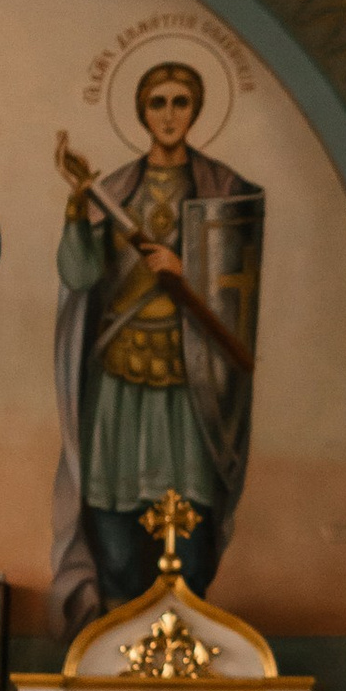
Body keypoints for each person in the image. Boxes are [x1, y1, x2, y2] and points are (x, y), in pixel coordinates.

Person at [52, 63, 262, 626]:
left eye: (181, 102)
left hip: (189, 386)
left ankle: (184, 636)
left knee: (189, 519)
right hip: (118, 378)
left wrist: (186, 269)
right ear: (142, 113)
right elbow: (78, 276)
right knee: (114, 528)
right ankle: (116, 646)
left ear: (196, 111)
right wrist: (77, 209)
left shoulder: (226, 192)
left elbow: (238, 289)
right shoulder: (114, 191)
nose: (169, 114)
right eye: (158, 103)